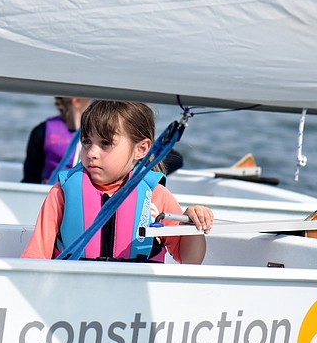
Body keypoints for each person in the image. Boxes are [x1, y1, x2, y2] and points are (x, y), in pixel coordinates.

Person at [22, 100, 213, 264]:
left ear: (141, 149)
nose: (91, 153)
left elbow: (190, 259)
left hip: (133, 292)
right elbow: (35, 256)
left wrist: (192, 223)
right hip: (74, 290)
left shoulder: (157, 196)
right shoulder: (62, 193)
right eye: (86, 141)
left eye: (105, 143)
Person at [22, 97, 91, 183]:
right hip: (56, 188)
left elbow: (30, 178)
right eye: (89, 99)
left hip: (49, 188)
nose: (90, 102)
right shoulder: (96, 132)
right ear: (75, 101)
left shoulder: (41, 130)